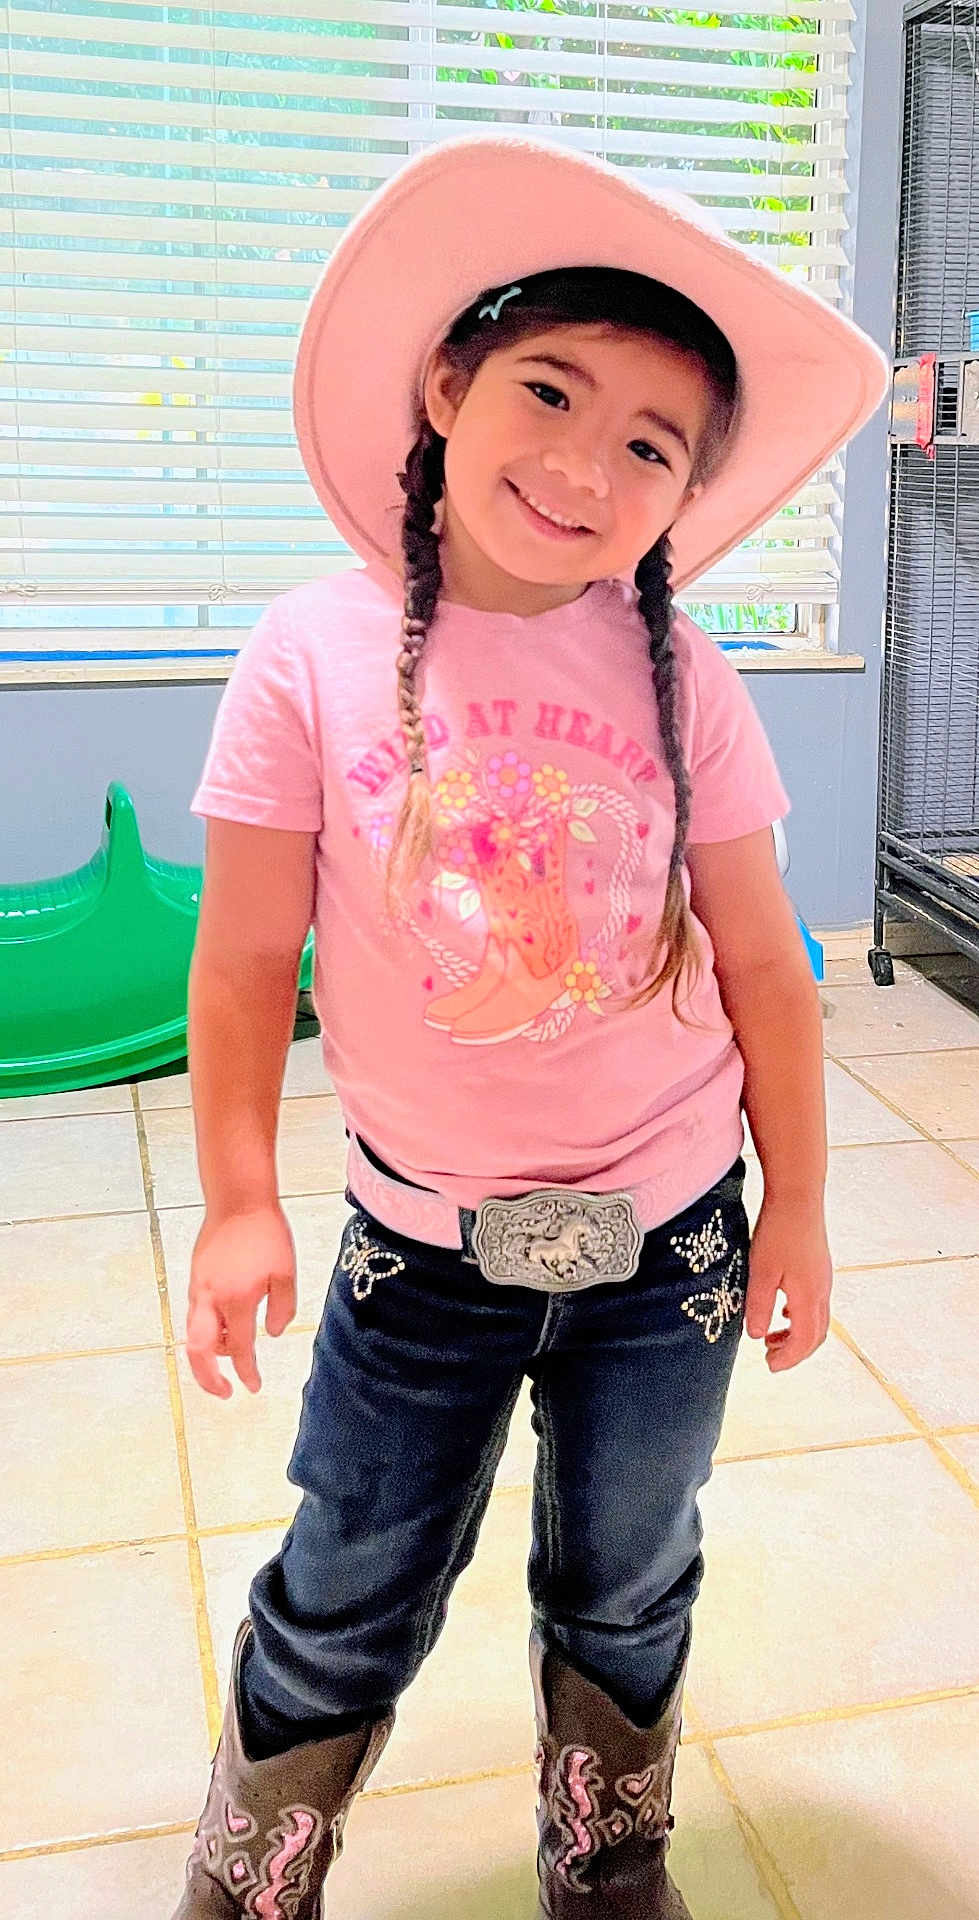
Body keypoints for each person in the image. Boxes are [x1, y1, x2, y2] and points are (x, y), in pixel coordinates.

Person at [172, 136, 888, 1920]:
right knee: (350, 1566)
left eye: (650, 444)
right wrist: (244, 1196)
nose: (583, 463)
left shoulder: (686, 672)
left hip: (675, 1246)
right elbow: (248, 964)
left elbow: (771, 967)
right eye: (548, 392)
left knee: (633, 1571)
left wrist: (794, 1200)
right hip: (419, 1247)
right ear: (447, 385)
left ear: (683, 497)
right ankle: (258, 1862)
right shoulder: (309, 654)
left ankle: (609, 1851)